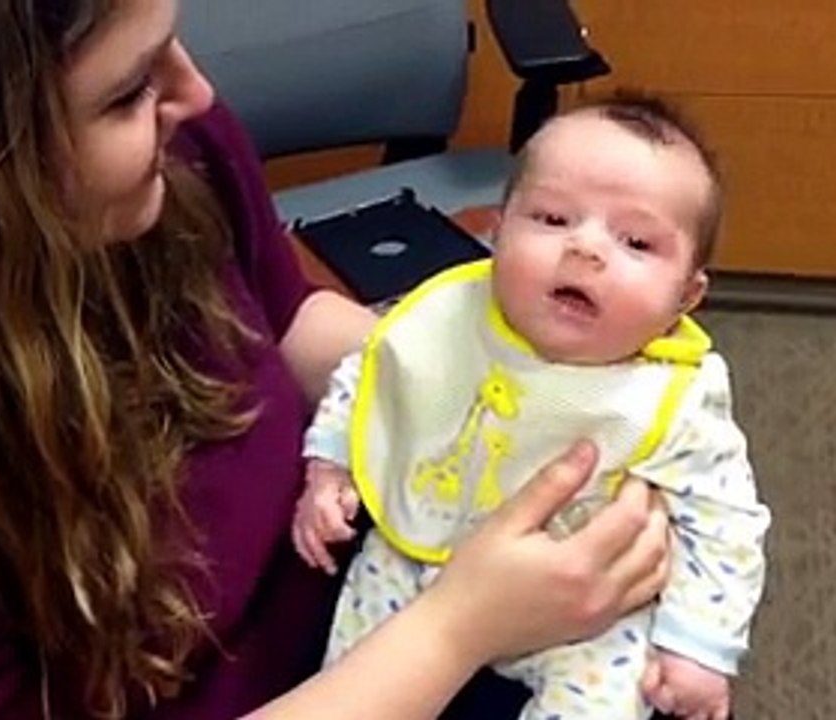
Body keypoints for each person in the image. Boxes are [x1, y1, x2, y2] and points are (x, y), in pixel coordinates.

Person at [0, 1, 679, 719]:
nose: (199, 95)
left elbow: (283, 324)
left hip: (350, 599)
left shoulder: (176, 166)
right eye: (126, 92)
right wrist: (455, 634)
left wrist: (511, 388)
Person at [292, 99, 772, 720]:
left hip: (587, 612)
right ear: (497, 231)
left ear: (687, 295)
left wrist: (700, 648)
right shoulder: (449, 314)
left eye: (635, 241)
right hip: (417, 552)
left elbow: (725, 522)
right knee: (353, 669)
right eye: (551, 217)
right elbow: (372, 377)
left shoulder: (677, 397)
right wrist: (328, 466)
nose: (586, 249)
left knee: (609, 699)